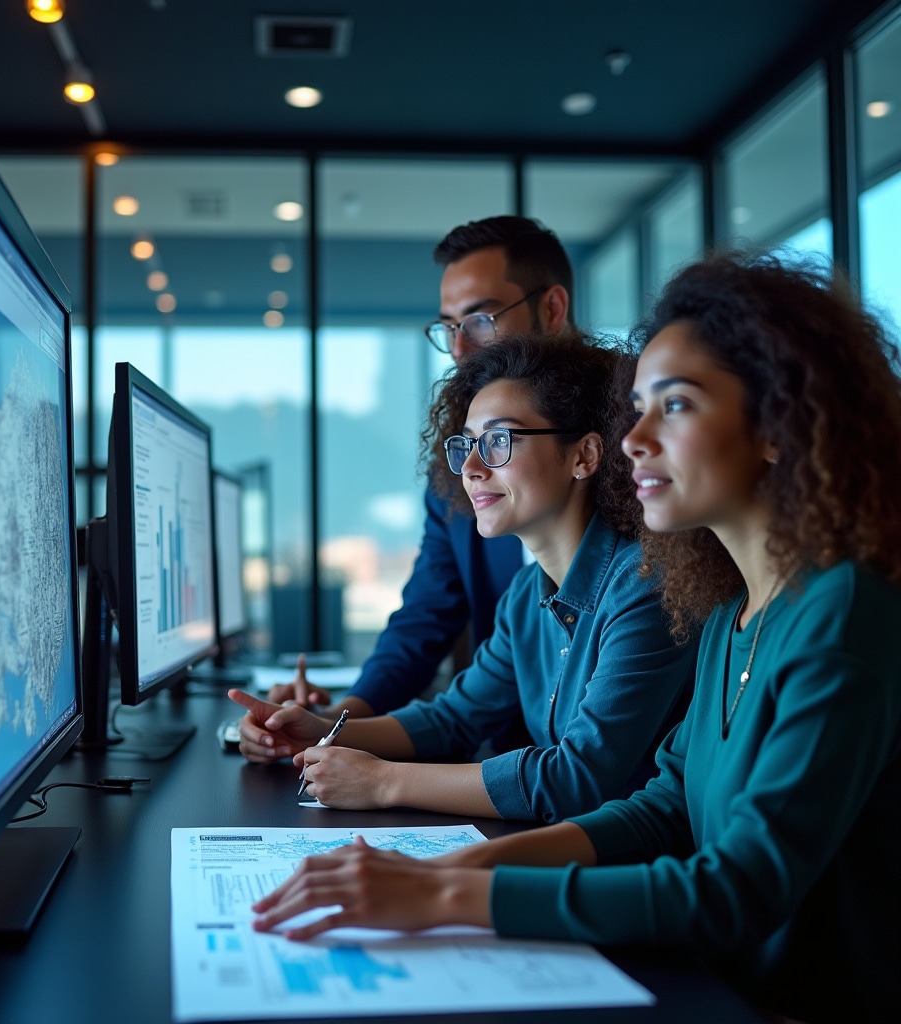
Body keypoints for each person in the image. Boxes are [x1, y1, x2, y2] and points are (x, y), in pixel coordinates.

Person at [246, 252, 901, 1024]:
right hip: (707, 980)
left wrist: (449, 890)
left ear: (778, 424)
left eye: (677, 405)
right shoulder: (730, 607)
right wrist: (460, 866)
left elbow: (735, 892)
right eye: (640, 406)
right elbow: (665, 809)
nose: (635, 438)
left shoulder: (841, 611)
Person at [230, 335, 695, 823]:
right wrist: (319, 729)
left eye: (498, 441)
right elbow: (453, 719)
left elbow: (574, 778)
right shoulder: (525, 597)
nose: (470, 468)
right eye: (467, 445)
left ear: (584, 456)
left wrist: (383, 782)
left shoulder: (646, 588)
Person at [268, 216, 575, 724]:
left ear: (552, 308)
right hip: (496, 754)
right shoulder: (458, 469)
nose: (459, 349)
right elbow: (423, 619)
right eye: (449, 327)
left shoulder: (636, 456)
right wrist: (334, 722)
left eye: (481, 320)